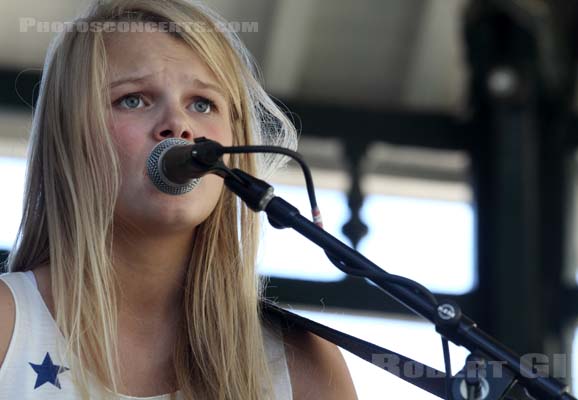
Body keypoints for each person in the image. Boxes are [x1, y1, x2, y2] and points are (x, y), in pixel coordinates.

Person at [0, 0, 358, 399]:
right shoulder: (7, 327)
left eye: (202, 104)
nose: (178, 125)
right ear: (67, 139)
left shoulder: (302, 364)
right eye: (133, 99)